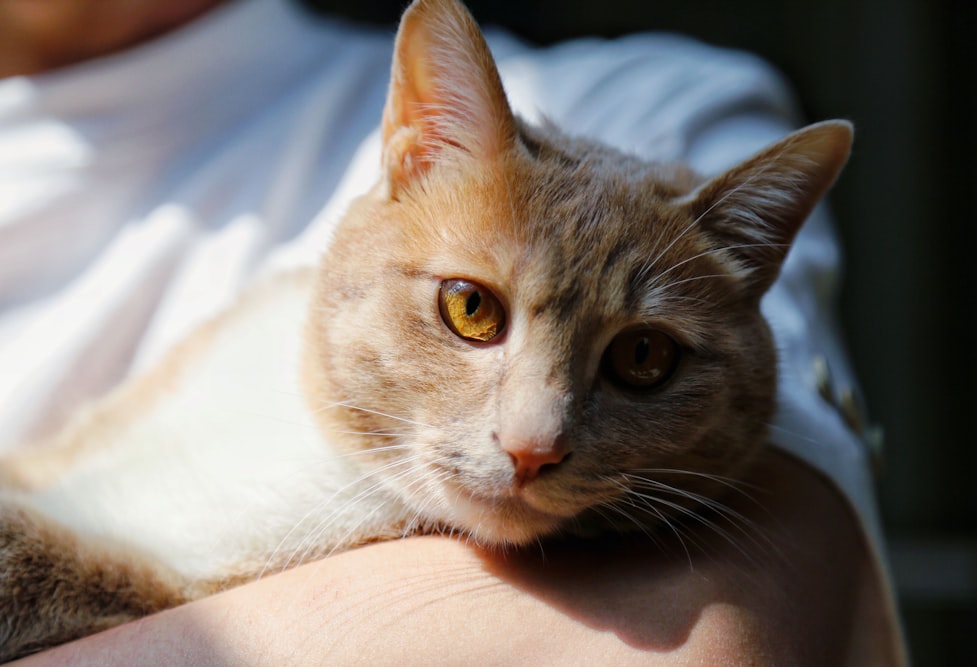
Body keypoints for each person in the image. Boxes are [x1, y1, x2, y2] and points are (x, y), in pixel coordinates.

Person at [0, 0, 905, 663]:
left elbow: (707, 641)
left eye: (640, 358)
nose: (534, 438)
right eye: (474, 311)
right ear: (412, 150)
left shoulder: (659, 104)